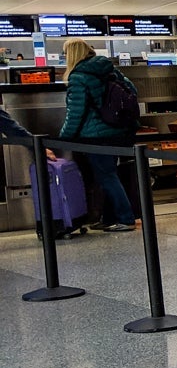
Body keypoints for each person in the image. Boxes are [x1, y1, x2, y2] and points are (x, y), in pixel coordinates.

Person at [53, 39, 136, 231]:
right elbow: (132, 90)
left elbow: (76, 112)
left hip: (95, 135)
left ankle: (125, 218)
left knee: (106, 176)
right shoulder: (109, 69)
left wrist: (64, 138)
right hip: (117, 131)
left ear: (71, 54)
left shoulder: (78, 76)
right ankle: (109, 218)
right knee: (108, 175)